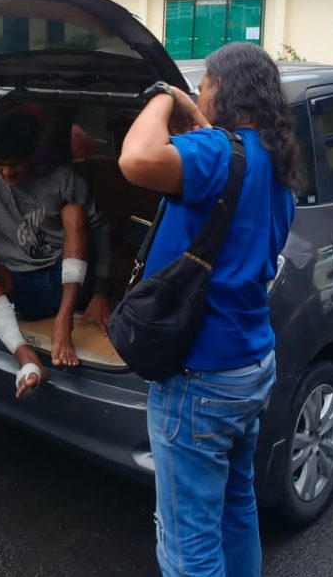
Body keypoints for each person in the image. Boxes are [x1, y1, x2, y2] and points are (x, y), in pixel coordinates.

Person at [117, 42, 298, 577]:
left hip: (199, 377)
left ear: (223, 89)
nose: (198, 94)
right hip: (250, 364)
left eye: (203, 86)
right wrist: (194, 111)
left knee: (187, 543)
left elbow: (135, 159)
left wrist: (161, 96)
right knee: (235, 506)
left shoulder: (218, 154)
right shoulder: (275, 160)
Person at [0, 110, 111, 397]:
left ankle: (63, 321)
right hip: (19, 288)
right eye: (0, 164)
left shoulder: (63, 178)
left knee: (75, 212)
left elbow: (99, 232)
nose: (7, 173)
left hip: (68, 283)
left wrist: (101, 292)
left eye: (15, 165)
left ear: (34, 155)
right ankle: (26, 358)